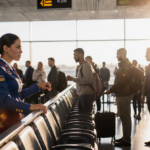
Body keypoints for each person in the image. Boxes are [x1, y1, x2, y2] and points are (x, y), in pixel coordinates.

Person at [0, 33, 51, 134]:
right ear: (6, 48)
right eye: (18, 47)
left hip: (14, 120)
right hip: (5, 122)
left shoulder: (10, 68)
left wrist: (37, 86)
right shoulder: (1, 69)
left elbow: (17, 94)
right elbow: (4, 100)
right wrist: (31, 106)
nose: (21, 51)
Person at [105, 48, 132, 146]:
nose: (116, 56)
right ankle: (125, 137)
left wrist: (111, 90)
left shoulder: (126, 65)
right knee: (124, 117)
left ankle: (126, 140)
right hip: (122, 94)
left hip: (124, 95)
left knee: (125, 117)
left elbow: (121, 81)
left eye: (117, 54)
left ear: (122, 54)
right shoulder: (123, 65)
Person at [67, 48, 95, 112]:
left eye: (75, 55)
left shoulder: (86, 65)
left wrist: (73, 79)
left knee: (85, 117)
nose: (74, 57)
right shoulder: (81, 66)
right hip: (83, 95)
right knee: (82, 115)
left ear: (80, 55)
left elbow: (87, 80)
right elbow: (82, 80)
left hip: (86, 96)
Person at [141, 48, 150, 146]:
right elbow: (146, 82)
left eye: (147, 53)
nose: (145, 55)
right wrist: (144, 95)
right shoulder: (148, 67)